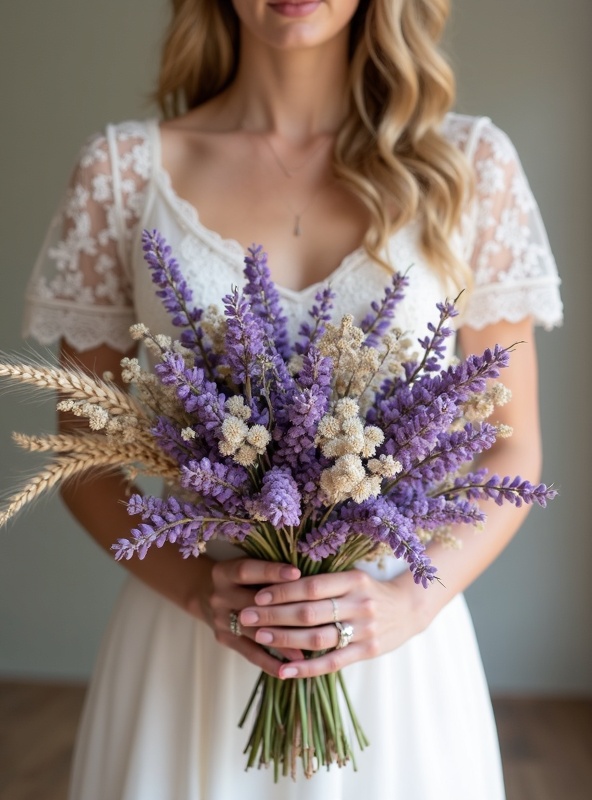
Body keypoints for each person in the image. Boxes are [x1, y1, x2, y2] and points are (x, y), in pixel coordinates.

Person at [23, 1, 563, 798]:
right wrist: (198, 592)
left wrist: (408, 605)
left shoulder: (468, 164)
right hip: (194, 644)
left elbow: (511, 448)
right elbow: (81, 441)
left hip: (395, 651)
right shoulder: (124, 172)